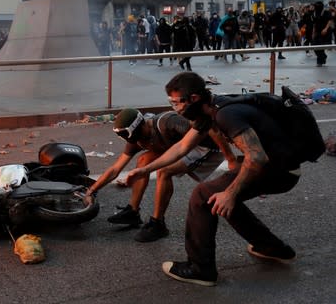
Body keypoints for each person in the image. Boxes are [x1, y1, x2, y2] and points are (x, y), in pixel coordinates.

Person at [125, 72, 303, 286]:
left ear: (194, 98)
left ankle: (200, 268)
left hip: (279, 170)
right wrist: (146, 170)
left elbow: (256, 157)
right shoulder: (206, 113)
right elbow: (181, 147)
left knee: (203, 195)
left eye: (176, 102)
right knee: (218, 198)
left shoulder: (225, 115)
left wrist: (231, 192)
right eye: (170, 102)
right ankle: (272, 248)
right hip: (275, 167)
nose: (175, 108)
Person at [85, 107, 237, 243]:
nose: (137, 142)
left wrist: (230, 158)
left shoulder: (169, 123)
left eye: (135, 136)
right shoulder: (136, 138)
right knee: (143, 160)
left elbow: (207, 128)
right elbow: (115, 169)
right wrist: (92, 190)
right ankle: (133, 212)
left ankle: (158, 224)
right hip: (176, 148)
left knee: (164, 171)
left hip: (204, 147)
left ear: (141, 125)